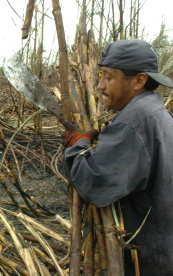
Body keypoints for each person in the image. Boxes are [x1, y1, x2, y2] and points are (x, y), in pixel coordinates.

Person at [62, 39, 173, 275]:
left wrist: (76, 145)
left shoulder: (134, 122)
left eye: (108, 77)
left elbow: (94, 183)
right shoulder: (158, 113)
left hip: (146, 260)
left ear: (139, 81)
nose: (100, 86)